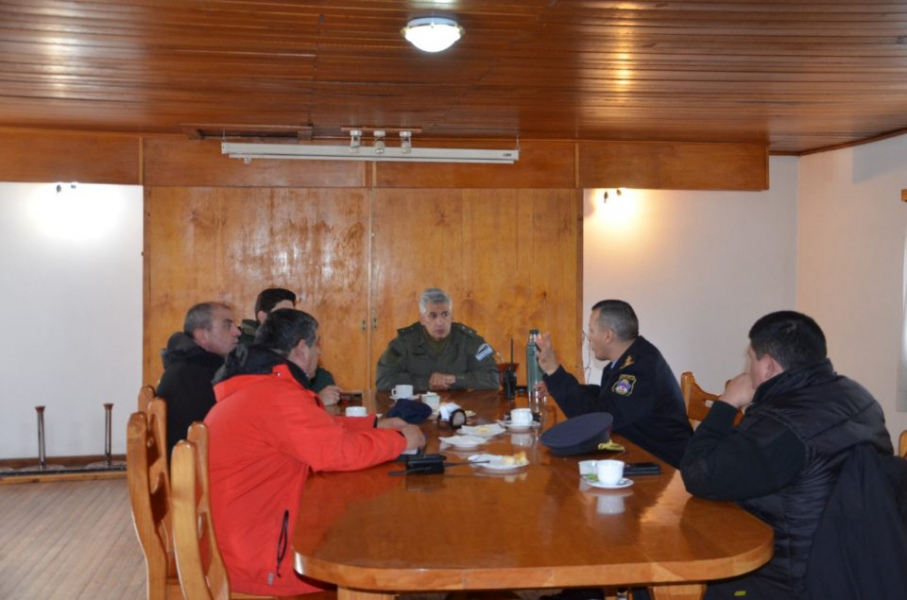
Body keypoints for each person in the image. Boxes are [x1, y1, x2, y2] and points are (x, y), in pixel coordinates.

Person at [206, 308, 425, 597]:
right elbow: (338, 452)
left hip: (239, 543)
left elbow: (314, 426)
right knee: (371, 548)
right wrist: (400, 440)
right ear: (301, 349)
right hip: (260, 563)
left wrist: (374, 424)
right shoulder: (276, 396)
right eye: (317, 344)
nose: (319, 353)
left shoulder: (260, 386)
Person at [680, 311, 894, 599]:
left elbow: (696, 474)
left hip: (790, 580)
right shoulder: (859, 396)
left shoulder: (781, 424)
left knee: (688, 572)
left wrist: (727, 403)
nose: (747, 369)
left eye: (751, 358)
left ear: (768, 366)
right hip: (858, 565)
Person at [536, 299, 692, 468]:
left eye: (591, 330)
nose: (589, 338)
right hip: (641, 454)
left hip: (668, 467)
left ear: (608, 335)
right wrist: (556, 385)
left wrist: (555, 372)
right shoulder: (631, 358)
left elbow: (598, 419)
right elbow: (605, 397)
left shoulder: (639, 370)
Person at [156, 302, 240, 456]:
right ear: (202, 336)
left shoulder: (198, 366)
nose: (237, 332)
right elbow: (213, 433)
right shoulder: (191, 375)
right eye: (227, 326)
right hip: (191, 465)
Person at [376, 287, 499, 391]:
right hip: (416, 406)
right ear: (422, 319)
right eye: (433, 315)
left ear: (452, 316)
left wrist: (455, 379)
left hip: (459, 407)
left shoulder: (469, 340)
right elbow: (383, 379)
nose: (440, 322)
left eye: (445, 314)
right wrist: (426, 383)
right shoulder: (404, 342)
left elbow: (493, 378)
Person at [239, 287, 342, 404]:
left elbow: (319, 376)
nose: (292, 319)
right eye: (283, 314)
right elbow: (271, 403)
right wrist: (316, 400)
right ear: (263, 317)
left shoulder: (288, 343)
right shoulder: (244, 354)